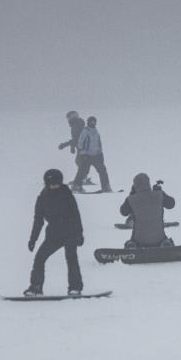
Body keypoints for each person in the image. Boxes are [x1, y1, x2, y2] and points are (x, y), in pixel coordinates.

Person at [24, 168, 84, 296]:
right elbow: (38, 220)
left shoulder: (67, 194)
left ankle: (75, 288)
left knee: (71, 258)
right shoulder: (42, 198)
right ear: (47, 183)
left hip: (70, 232)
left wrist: (80, 233)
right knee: (39, 258)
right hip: (53, 235)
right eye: (52, 184)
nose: (54, 186)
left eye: (57, 183)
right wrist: (33, 239)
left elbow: (76, 214)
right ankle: (35, 287)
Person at [120, 173, 175, 248]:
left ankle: (132, 245)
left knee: (132, 242)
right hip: (159, 239)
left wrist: (131, 195)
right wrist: (161, 192)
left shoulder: (131, 199)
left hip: (139, 241)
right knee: (164, 240)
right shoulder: (159, 195)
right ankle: (165, 244)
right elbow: (171, 204)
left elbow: (123, 212)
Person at [73, 116, 112, 192]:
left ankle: (106, 186)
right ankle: (76, 186)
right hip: (87, 155)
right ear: (88, 122)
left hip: (97, 156)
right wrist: (82, 151)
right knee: (82, 171)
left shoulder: (96, 131)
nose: (93, 123)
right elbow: (80, 142)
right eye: (91, 121)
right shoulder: (85, 131)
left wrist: (100, 153)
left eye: (94, 121)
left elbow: (99, 142)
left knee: (102, 171)